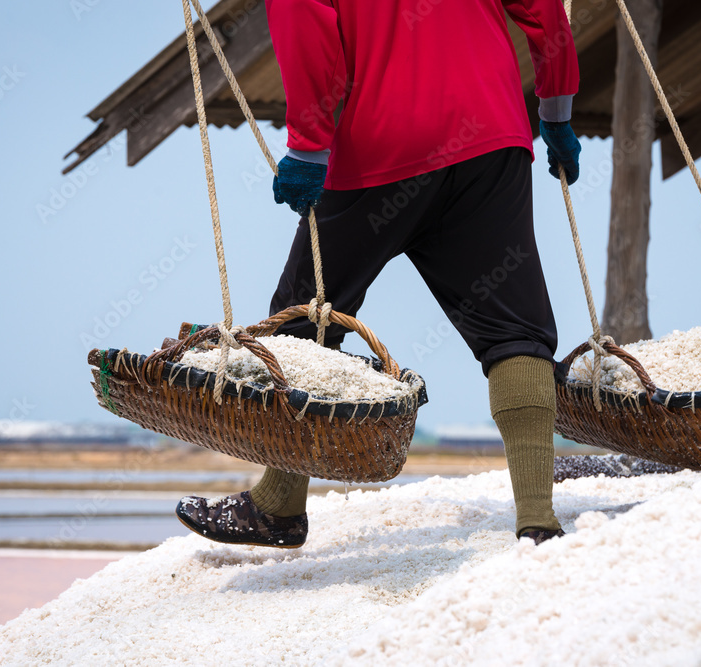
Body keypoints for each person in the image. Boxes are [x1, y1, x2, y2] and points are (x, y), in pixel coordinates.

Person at [176, 0, 581, 548]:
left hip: (383, 140)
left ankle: (279, 506)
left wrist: (308, 145)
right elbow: (545, 12)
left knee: (304, 319)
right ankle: (537, 517)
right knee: (514, 328)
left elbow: (307, 31)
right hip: (490, 134)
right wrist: (556, 112)